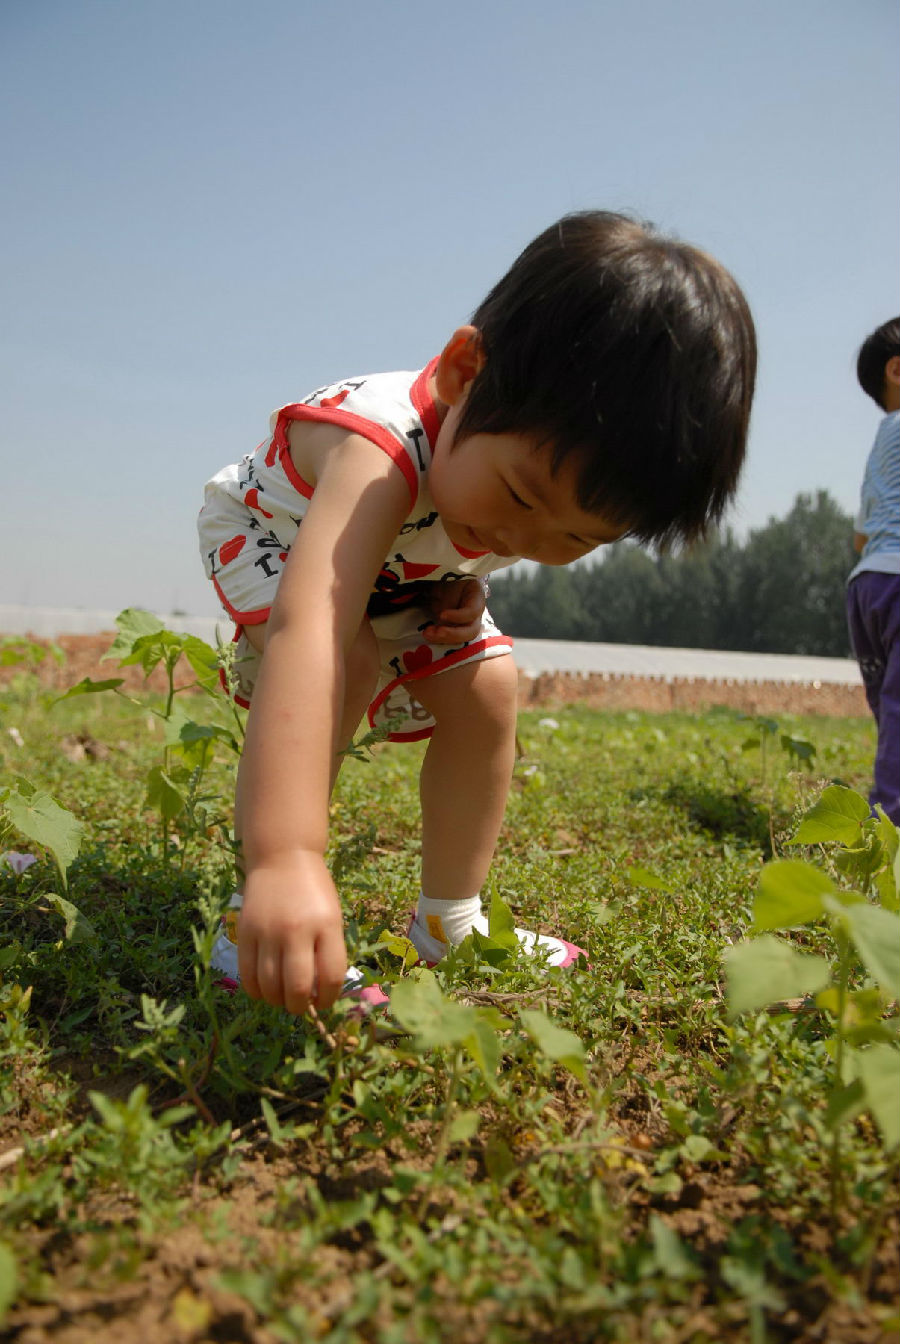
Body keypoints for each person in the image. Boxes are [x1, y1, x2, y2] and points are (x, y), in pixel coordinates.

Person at [198, 210, 757, 1015]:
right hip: (275, 533)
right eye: (522, 497)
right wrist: (288, 856)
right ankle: (251, 910)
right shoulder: (380, 451)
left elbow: (477, 521)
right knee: (349, 653)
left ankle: (449, 921)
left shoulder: (495, 478)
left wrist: (462, 575)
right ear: (465, 372)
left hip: (404, 565)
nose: (518, 538)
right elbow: (311, 625)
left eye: (574, 537)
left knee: (490, 685)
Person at [847, 317, 900, 824]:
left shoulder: (881, 444)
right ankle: (894, 824)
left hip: (869, 584)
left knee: (892, 710)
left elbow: (861, 535)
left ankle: (887, 808)